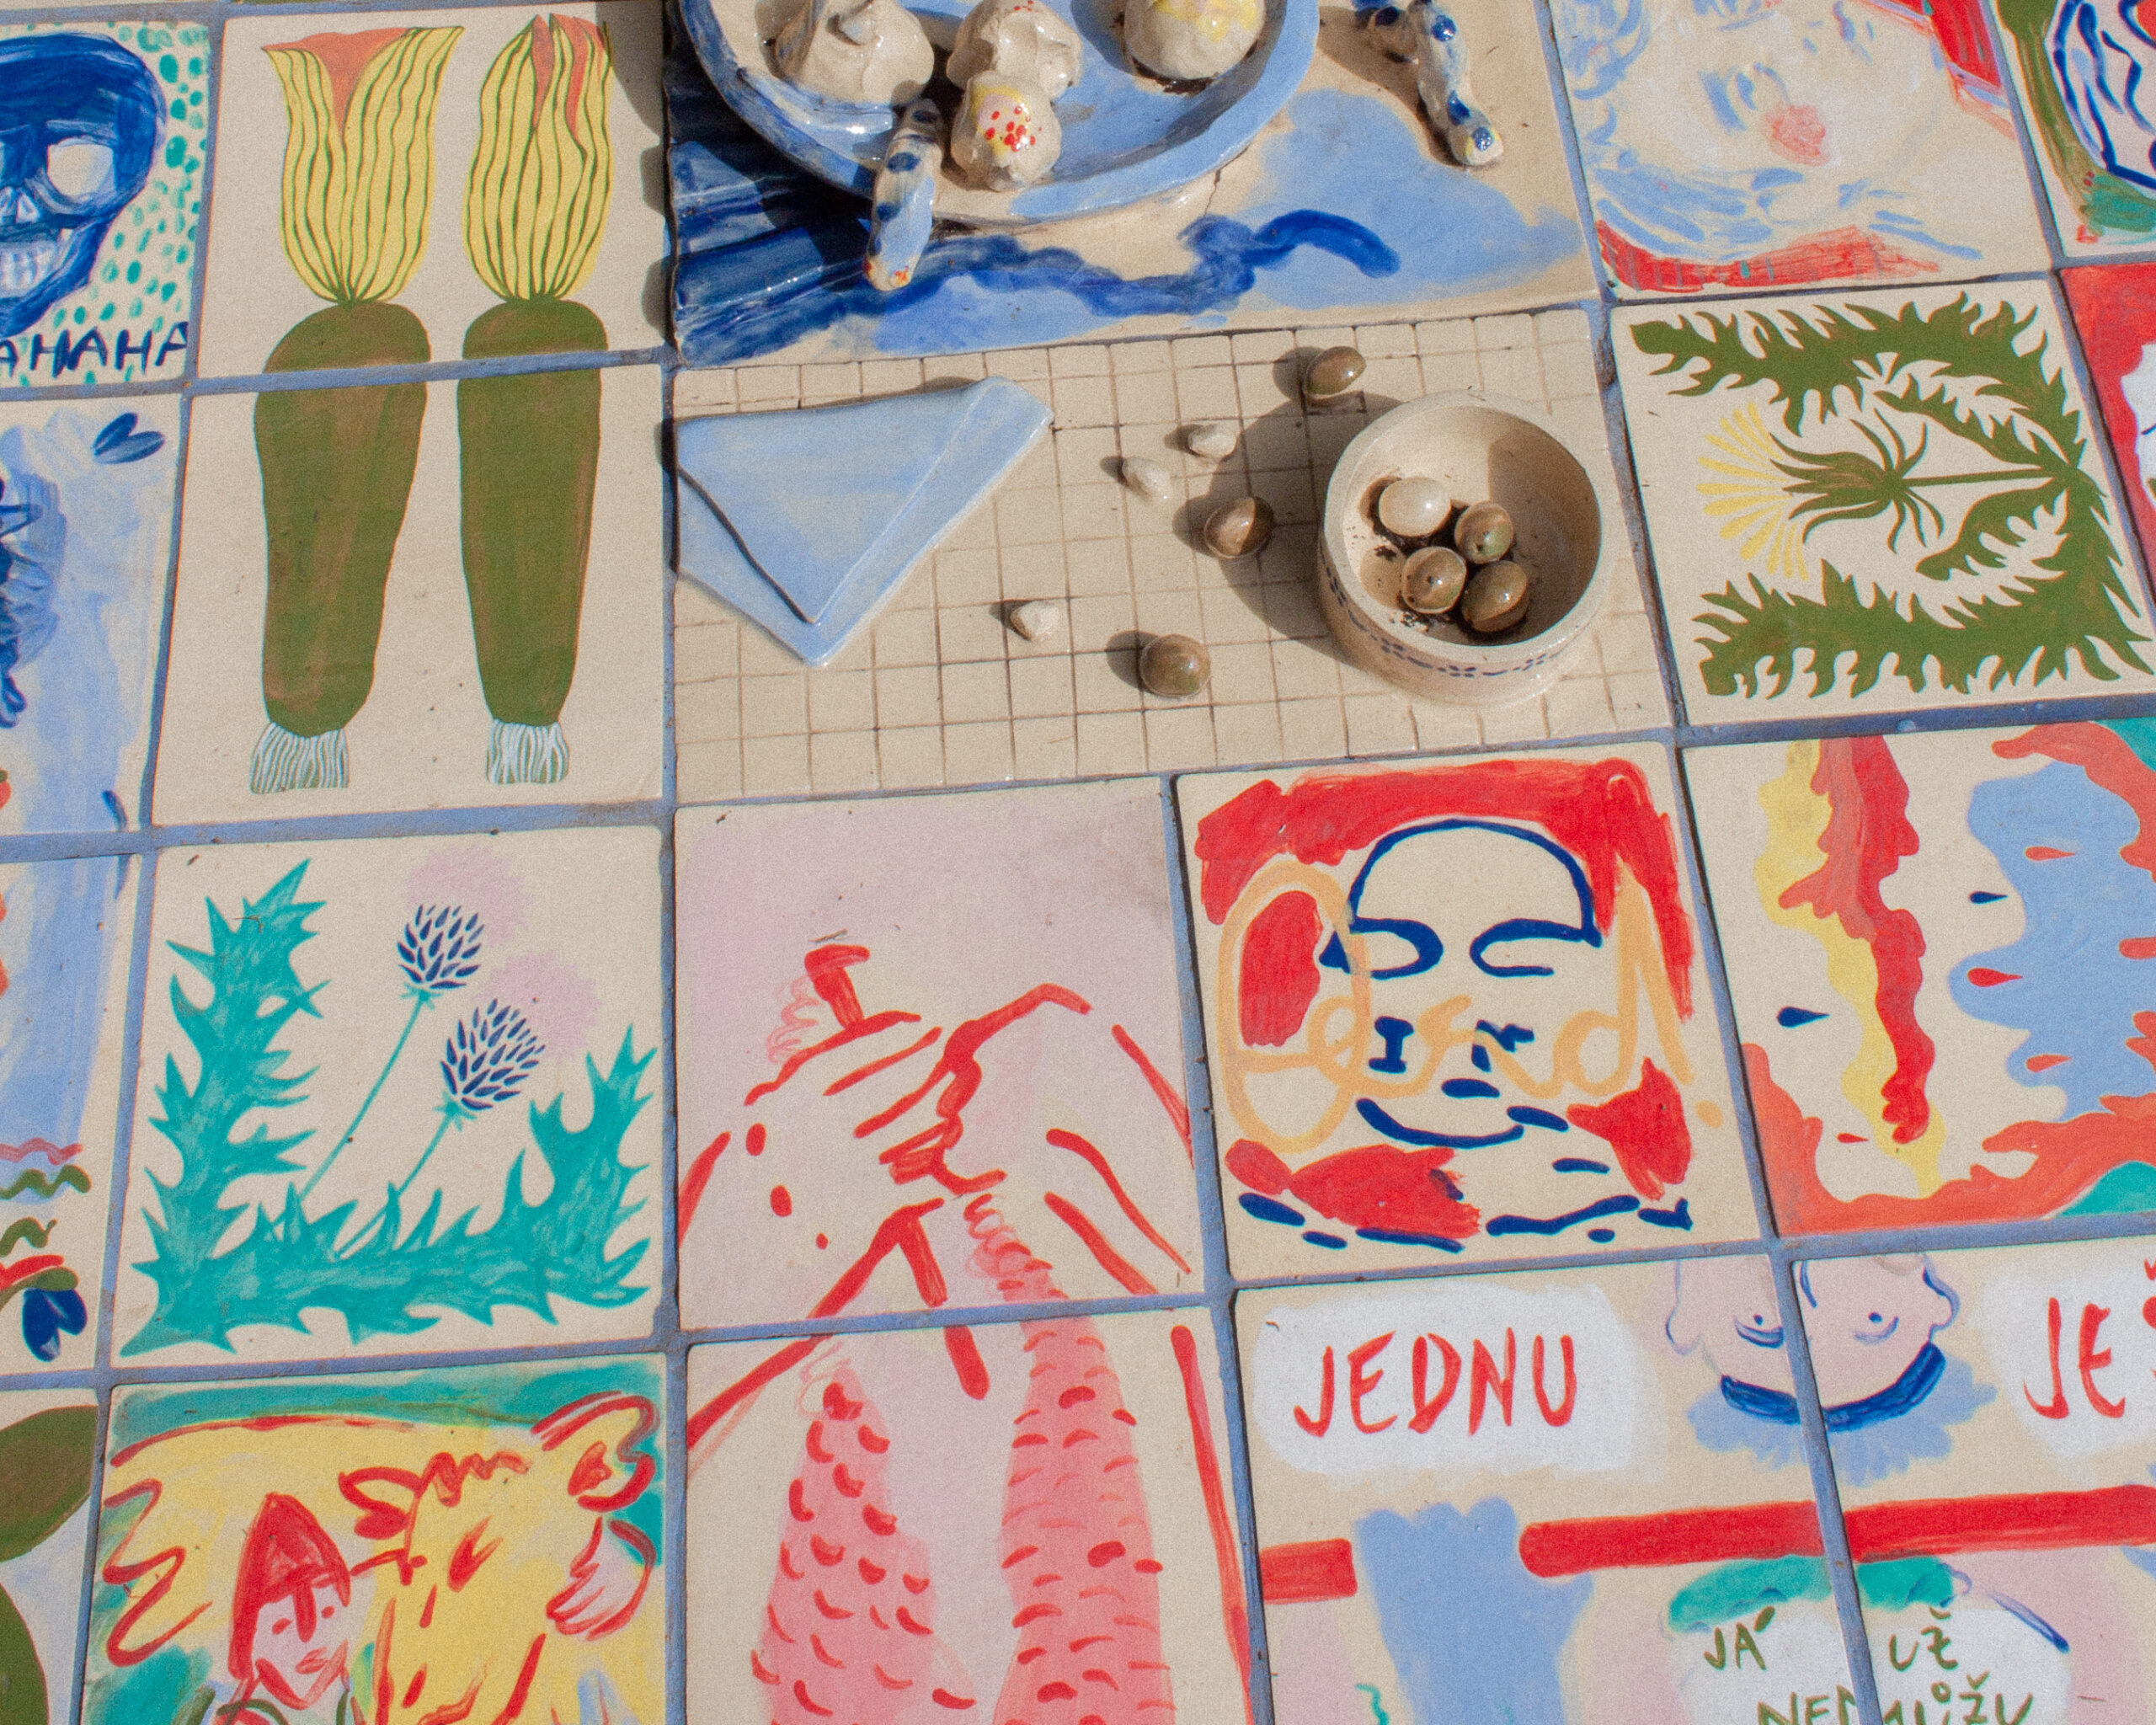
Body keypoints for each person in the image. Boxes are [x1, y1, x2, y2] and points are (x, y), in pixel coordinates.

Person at [1194, 756, 1721, 1258]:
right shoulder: (1288, 1197)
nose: (1455, 1009)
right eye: (1393, 955)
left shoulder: (1630, 1205)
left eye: (1521, 959)